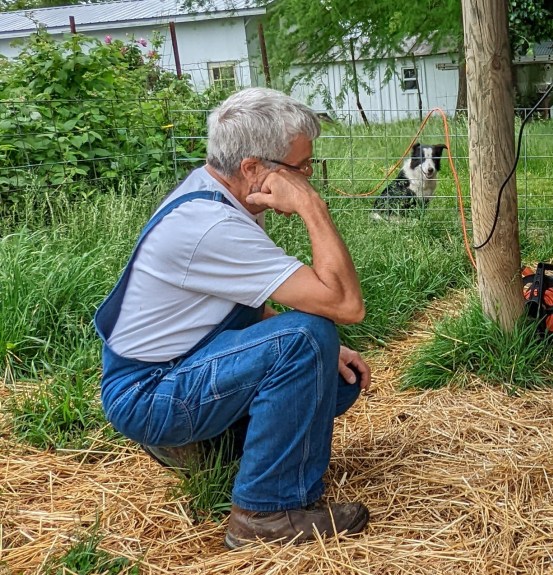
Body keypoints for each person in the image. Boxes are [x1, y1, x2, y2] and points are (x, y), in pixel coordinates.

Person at [93, 87, 371, 549]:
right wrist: (311, 206)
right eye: (301, 168)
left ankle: (212, 450)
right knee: (310, 335)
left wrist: (324, 351)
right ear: (253, 168)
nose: (307, 177)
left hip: (174, 368)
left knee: (328, 369)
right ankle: (264, 512)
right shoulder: (212, 226)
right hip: (149, 391)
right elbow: (346, 304)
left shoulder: (220, 195)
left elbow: (245, 303)